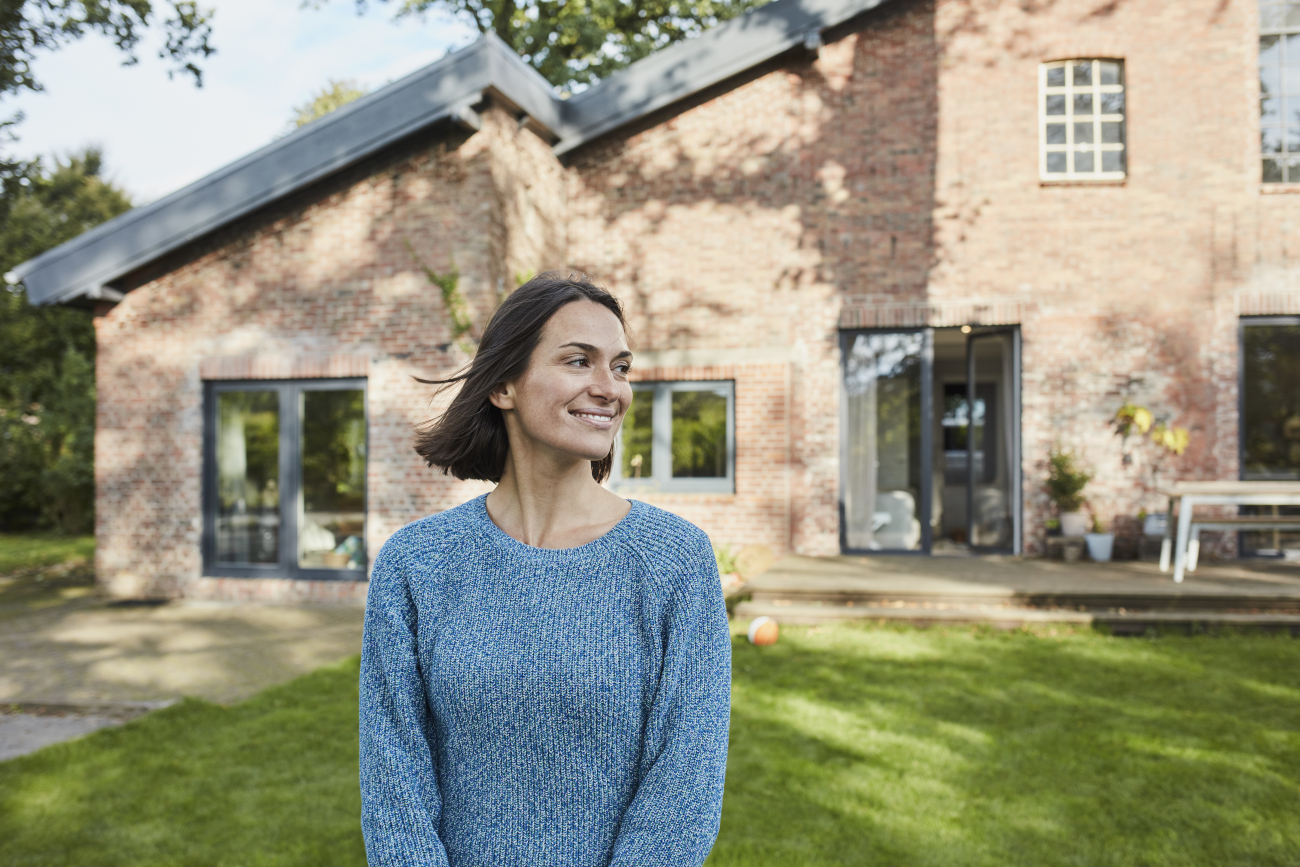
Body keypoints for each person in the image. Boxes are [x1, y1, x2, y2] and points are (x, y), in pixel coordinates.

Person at [359, 272, 732, 867]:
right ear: (504, 385)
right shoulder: (418, 563)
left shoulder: (675, 561)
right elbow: (393, 775)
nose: (610, 388)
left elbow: (684, 785)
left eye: (621, 366)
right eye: (579, 361)